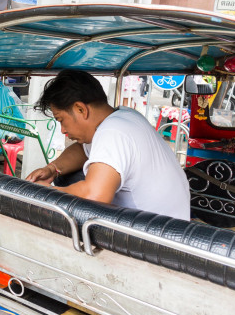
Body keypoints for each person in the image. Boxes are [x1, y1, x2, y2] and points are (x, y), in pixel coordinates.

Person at [26, 70, 190, 220]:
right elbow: (83, 151)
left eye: (61, 120)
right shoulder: (123, 117)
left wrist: (43, 192)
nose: (62, 130)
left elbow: (94, 196)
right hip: (167, 226)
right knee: (66, 176)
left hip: (156, 239)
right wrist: (53, 168)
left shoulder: (112, 132)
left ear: (81, 109)